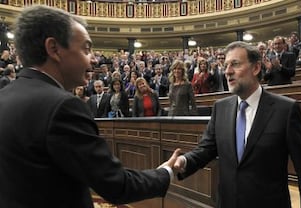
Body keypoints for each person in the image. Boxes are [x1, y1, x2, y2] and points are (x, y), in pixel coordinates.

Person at [0, 5, 180, 207]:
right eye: (86, 48)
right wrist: (165, 172)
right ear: (54, 49)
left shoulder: (4, 96)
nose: (93, 58)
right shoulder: (63, 106)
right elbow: (117, 185)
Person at [173, 41, 301, 208]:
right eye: (226, 65)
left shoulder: (286, 110)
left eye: (235, 64)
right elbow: (206, 149)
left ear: (256, 68)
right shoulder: (220, 108)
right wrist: (183, 161)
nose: (227, 71)